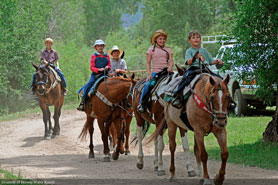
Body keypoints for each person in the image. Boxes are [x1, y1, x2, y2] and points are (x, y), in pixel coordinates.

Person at [172, 31, 224, 107]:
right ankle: (177, 96)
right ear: (189, 41)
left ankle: (226, 98)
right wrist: (194, 58)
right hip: (193, 69)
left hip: (205, 69)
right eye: (193, 38)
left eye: (197, 37)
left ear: (200, 39)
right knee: (185, 80)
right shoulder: (189, 51)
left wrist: (217, 61)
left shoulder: (204, 50)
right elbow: (188, 62)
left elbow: (210, 61)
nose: (196, 39)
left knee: (221, 80)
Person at [137, 29, 173, 113]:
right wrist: (149, 74)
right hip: (156, 73)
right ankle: (142, 103)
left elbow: (171, 61)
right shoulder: (151, 50)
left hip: (167, 72)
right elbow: (148, 63)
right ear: (156, 40)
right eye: (160, 39)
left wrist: (170, 67)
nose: (162, 41)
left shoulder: (168, 50)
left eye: (163, 39)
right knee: (148, 85)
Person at [77, 39, 111, 111]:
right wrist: (98, 70)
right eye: (98, 46)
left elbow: (109, 65)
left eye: (101, 46)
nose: (100, 47)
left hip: (105, 74)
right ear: (96, 47)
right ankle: (83, 102)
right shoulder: (94, 56)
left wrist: (108, 67)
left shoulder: (107, 56)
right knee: (88, 85)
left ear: (103, 47)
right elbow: (91, 67)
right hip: (95, 75)